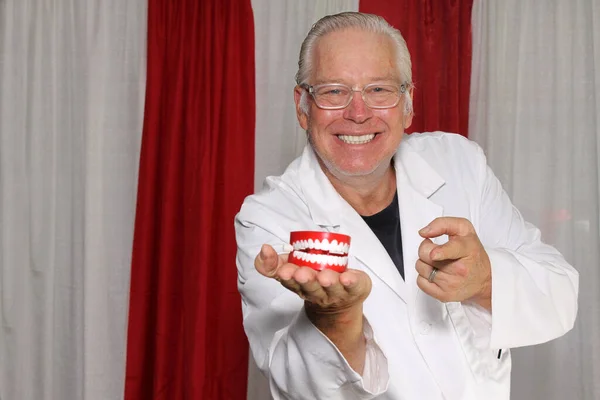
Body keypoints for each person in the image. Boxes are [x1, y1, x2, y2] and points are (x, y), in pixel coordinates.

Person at [234, 11, 578, 400]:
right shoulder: (268, 220)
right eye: (334, 91)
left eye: (379, 90)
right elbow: (294, 383)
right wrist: (336, 322)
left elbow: (561, 294)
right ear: (303, 106)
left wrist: (485, 281)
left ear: (408, 103)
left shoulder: (459, 163)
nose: (358, 112)